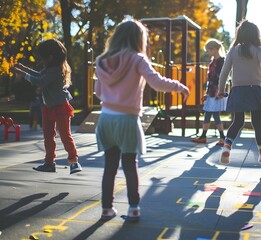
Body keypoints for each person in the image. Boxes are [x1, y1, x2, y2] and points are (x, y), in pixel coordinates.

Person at [94, 19, 190, 221]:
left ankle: (106, 208)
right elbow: (157, 83)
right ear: (139, 39)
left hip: (106, 118)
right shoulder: (137, 59)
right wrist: (179, 86)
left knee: (109, 166)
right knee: (130, 164)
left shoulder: (101, 61)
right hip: (127, 119)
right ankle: (134, 207)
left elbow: (98, 92)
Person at [217, 20, 261, 167]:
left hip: (237, 90)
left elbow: (224, 72)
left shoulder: (233, 51)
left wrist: (221, 90)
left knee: (238, 122)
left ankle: (227, 147)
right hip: (254, 89)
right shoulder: (258, 50)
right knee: (257, 123)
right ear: (256, 35)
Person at [11, 39, 82, 174]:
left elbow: (40, 81)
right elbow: (39, 75)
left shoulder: (56, 70)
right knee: (48, 136)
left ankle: (74, 161)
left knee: (65, 136)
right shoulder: (48, 68)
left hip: (61, 107)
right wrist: (24, 68)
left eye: (42, 58)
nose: (41, 61)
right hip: (48, 107)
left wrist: (23, 74)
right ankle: (49, 162)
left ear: (50, 57)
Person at [191, 39, 227, 146]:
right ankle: (206, 136)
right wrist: (207, 94)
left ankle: (220, 137)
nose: (207, 52)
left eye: (208, 50)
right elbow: (210, 80)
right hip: (212, 92)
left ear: (215, 49)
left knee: (214, 115)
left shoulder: (221, 62)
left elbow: (221, 78)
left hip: (216, 92)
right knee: (209, 114)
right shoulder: (213, 62)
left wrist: (220, 91)